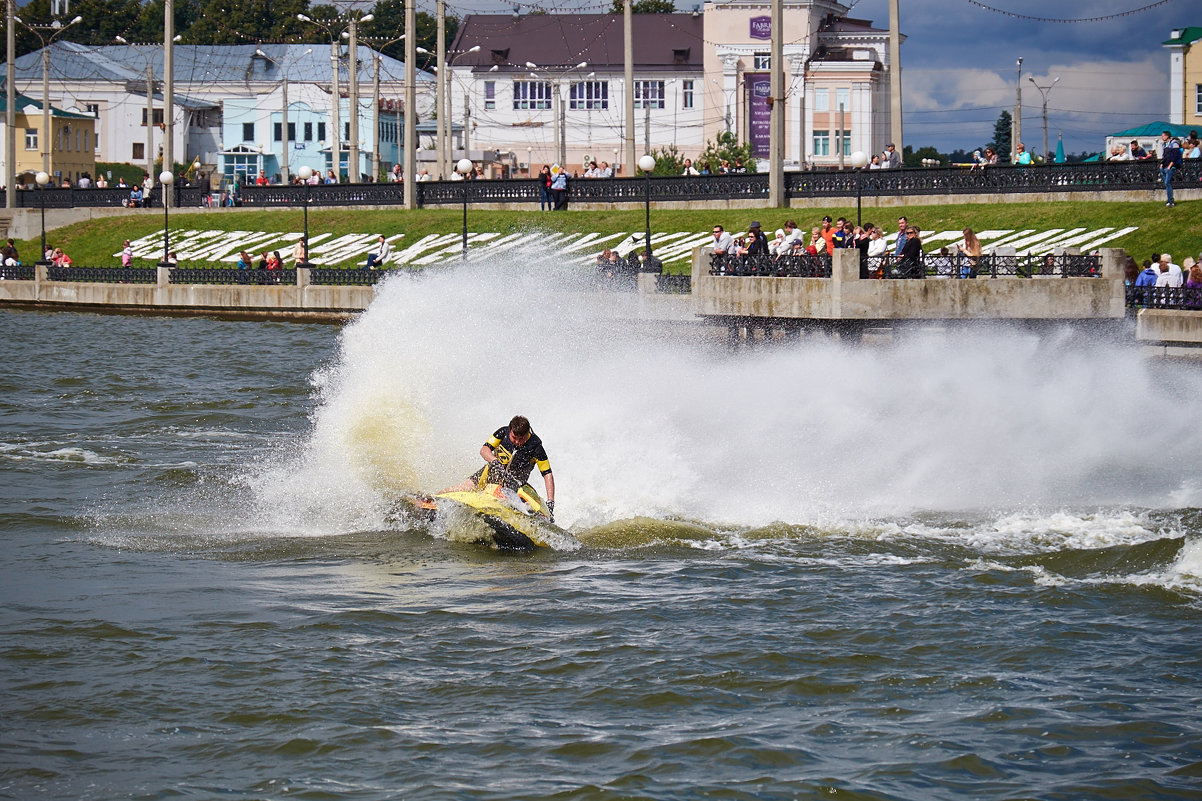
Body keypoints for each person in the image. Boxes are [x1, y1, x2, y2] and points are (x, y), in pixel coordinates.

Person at [449, 415, 555, 522]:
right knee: (463, 488)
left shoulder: (536, 447)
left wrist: (550, 501)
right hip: (491, 473)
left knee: (526, 506)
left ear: (528, 433)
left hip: (515, 484)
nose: (517, 442)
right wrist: (495, 462)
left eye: (521, 439)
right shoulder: (502, 433)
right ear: (510, 431)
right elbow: (484, 450)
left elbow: (547, 474)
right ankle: (435, 499)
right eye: (514, 438)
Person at [1159, 131, 1182, 207]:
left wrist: (1170, 165)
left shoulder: (1174, 144)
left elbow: (1175, 156)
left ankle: (1171, 201)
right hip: (1164, 166)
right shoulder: (1165, 145)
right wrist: (1161, 164)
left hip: (1170, 166)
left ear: (1167, 136)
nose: (1162, 137)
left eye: (1163, 136)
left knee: (1167, 183)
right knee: (1166, 184)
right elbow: (1164, 156)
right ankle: (1169, 200)